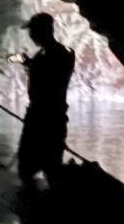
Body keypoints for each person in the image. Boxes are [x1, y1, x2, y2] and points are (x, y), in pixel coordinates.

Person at [7, 12, 75, 188]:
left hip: (42, 120)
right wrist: (28, 63)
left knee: (29, 169)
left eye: (32, 31)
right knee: (50, 168)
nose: (30, 35)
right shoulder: (53, 55)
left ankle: (39, 206)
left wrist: (31, 65)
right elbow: (47, 70)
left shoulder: (56, 55)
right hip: (52, 119)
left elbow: (50, 77)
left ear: (42, 31)